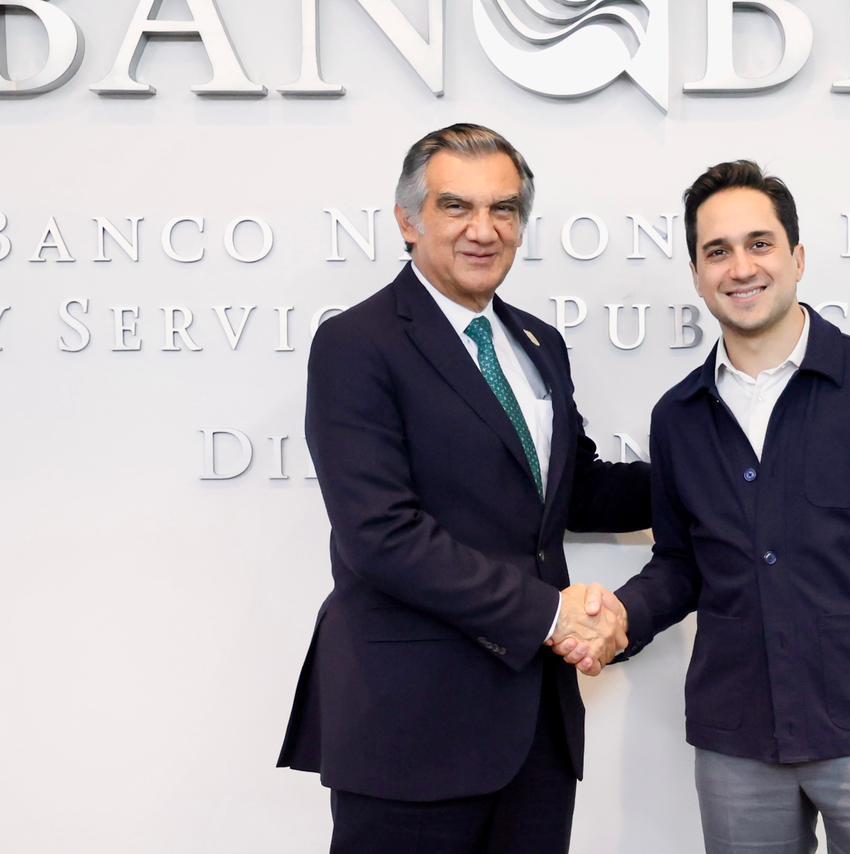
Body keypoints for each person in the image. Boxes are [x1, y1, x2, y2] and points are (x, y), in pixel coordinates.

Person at [555, 161, 850, 853]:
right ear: (697, 275)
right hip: (737, 740)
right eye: (717, 251)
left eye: (759, 244)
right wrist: (622, 616)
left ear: (797, 258)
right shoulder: (678, 416)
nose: (741, 267)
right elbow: (682, 563)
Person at [277, 123, 649, 854]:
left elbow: (571, 492)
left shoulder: (538, 342)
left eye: (503, 209)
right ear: (408, 220)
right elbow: (382, 535)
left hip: (535, 728)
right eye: (457, 207)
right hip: (409, 724)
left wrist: (712, 472)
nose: (484, 230)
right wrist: (551, 614)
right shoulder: (356, 344)